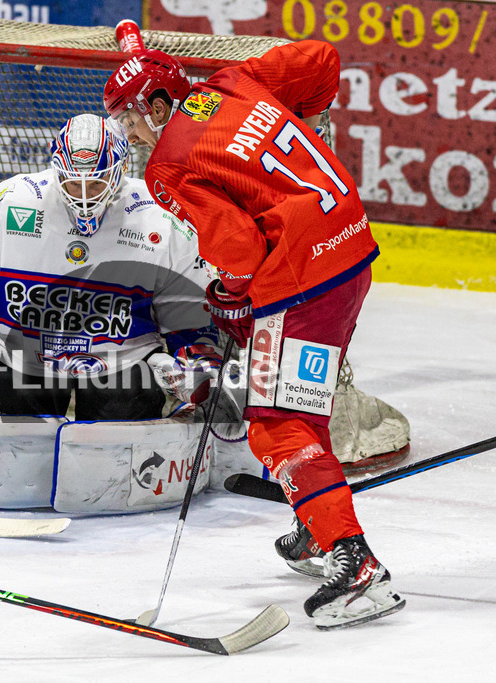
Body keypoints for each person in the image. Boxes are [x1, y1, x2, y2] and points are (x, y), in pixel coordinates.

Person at [103, 40, 406, 629]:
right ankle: (318, 523)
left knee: (276, 424)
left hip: (301, 281)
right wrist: (298, 127)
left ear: (158, 106)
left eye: (131, 119)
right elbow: (322, 60)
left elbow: (239, 249)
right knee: (302, 405)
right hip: (349, 247)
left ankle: (357, 565)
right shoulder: (233, 82)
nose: (131, 135)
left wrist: (231, 295)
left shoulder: (168, 165)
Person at [0, 113, 223, 423]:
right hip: (20, 356)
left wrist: (191, 366)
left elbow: (191, 315)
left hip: (122, 364)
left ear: (121, 170)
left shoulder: (161, 216)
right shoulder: (12, 202)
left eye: (96, 182)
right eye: (72, 182)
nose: (84, 196)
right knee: (3, 439)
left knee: (122, 441)